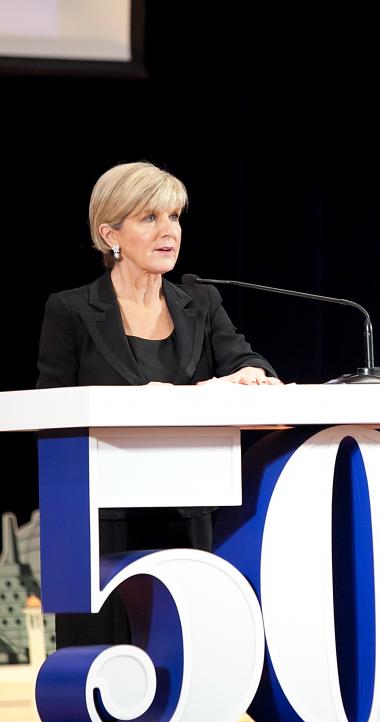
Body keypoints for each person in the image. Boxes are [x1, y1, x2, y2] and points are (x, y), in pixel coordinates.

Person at [36, 161, 280, 647]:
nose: (169, 231)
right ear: (112, 235)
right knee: (109, 663)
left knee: (183, 657)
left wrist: (253, 373)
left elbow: (246, 360)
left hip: (188, 515)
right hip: (102, 522)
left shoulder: (201, 302)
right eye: (150, 218)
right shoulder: (71, 311)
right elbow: (52, 412)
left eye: (174, 217)